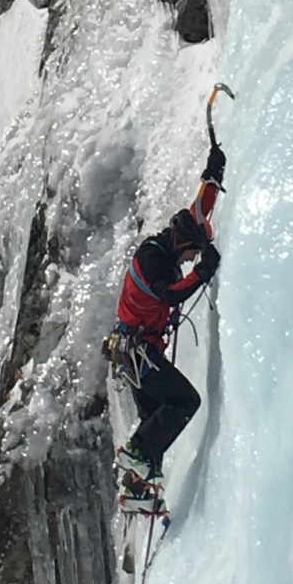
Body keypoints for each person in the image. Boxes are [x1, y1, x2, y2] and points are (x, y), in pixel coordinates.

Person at [111, 142, 225, 513]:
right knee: (184, 402)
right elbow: (170, 294)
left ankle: (137, 493)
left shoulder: (170, 244)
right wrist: (203, 272)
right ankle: (135, 454)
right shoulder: (151, 258)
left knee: (156, 420)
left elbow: (199, 209)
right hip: (137, 353)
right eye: (192, 253)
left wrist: (213, 174)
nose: (192, 258)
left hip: (134, 353)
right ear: (182, 244)